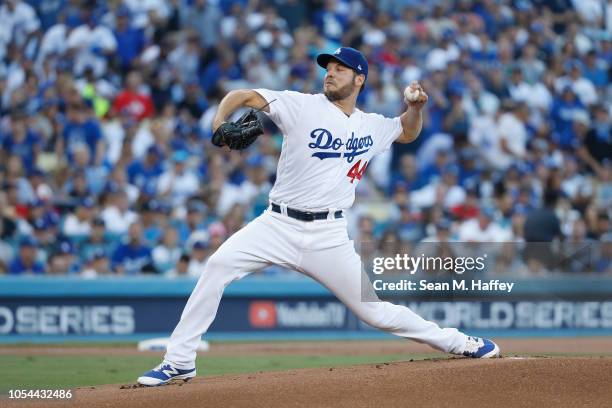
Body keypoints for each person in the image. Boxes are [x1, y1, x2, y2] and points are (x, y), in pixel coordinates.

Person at [138, 47, 500, 386]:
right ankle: (181, 360)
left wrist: (415, 108)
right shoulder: (300, 105)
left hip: (328, 235)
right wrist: (220, 120)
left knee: (374, 312)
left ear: (359, 79)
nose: (330, 73)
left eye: (340, 69)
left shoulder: (371, 125)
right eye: (328, 68)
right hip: (277, 224)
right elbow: (244, 96)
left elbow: (406, 131)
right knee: (217, 267)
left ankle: (459, 342)